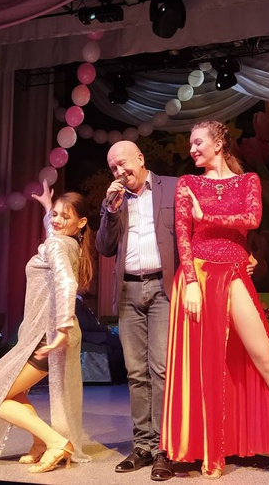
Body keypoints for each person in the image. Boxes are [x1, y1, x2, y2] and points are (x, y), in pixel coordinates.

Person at [162, 120, 269, 483]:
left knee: (266, 358)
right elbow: (183, 237)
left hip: (233, 272)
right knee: (205, 366)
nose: (192, 149)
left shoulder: (249, 182)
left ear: (218, 144)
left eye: (198, 142)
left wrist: (206, 215)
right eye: (191, 144)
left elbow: (252, 218)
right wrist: (190, 282)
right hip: (197, 276)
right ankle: (210, 449)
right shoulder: (187, 184)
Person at [0, 183, 93, 474]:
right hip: (43, 333)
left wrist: (63, 327)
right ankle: (41, 443)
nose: (57, 221)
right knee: (11, 391)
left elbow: (66, 282)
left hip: (48, 335)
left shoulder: (57, 245)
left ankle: (56, 442)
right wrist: (48, 208)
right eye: (55, 215)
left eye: (64, 216)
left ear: (81, 222)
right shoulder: (65, 242)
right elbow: (53, 235)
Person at [95, 140, 178, 480]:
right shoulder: (114, 201)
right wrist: (110, 211)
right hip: (128, 290)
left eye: (123, 163)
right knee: (135, 372)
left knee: (160, 369)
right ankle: (142, 445)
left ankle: (163, 449)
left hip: (163, 288)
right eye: (113, 167)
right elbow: (104, 247)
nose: (119, 171)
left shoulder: (172, 187)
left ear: (140, 159)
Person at [76, 294, 127, 384]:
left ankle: (119, 375)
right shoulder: (76, 302)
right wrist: (105, 328)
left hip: (93, 333)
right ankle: (118, 377)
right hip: (88, 335)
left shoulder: (79, 301)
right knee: (118, 343)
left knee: (117, 341)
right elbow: (85, 324)